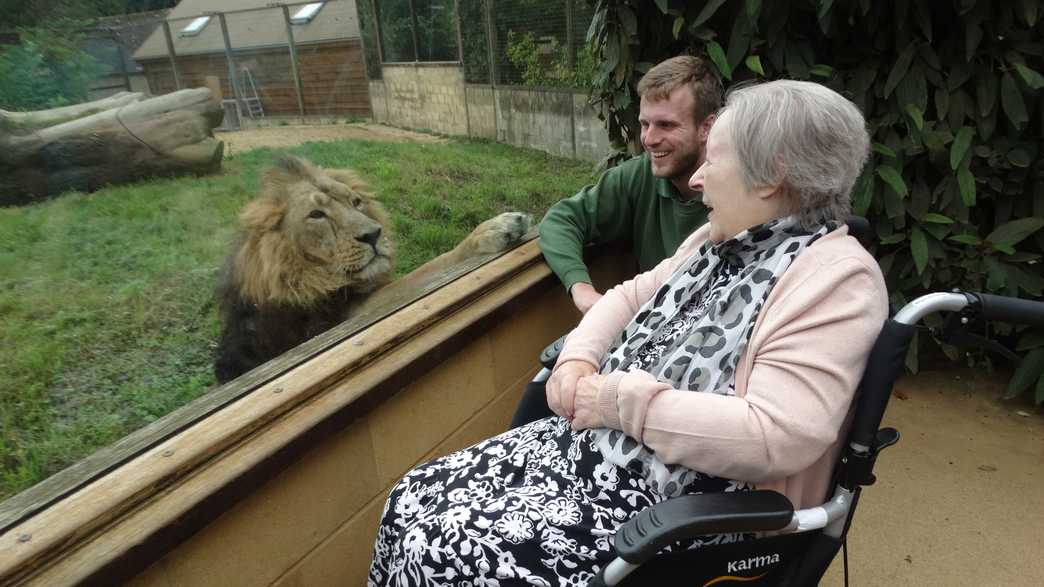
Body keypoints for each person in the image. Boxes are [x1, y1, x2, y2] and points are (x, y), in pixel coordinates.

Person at [368, 80, 888, 587]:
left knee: (437, 544)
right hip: (593, 451)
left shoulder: (836, 282)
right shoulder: (715, 240)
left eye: (715, 159)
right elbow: (626, 297)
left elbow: (776, 434)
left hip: (674, 506)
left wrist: (617, 401)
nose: (699, 178)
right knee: (408, 497)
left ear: (771, 177)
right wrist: (577, 359)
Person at [539, 55, 721, 315]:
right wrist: (583, 291)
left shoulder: (738, 190)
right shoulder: (639, 175)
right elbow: (561, 220)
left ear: (706, 127)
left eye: (666, 125)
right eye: (645, 124)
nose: (649, 139)